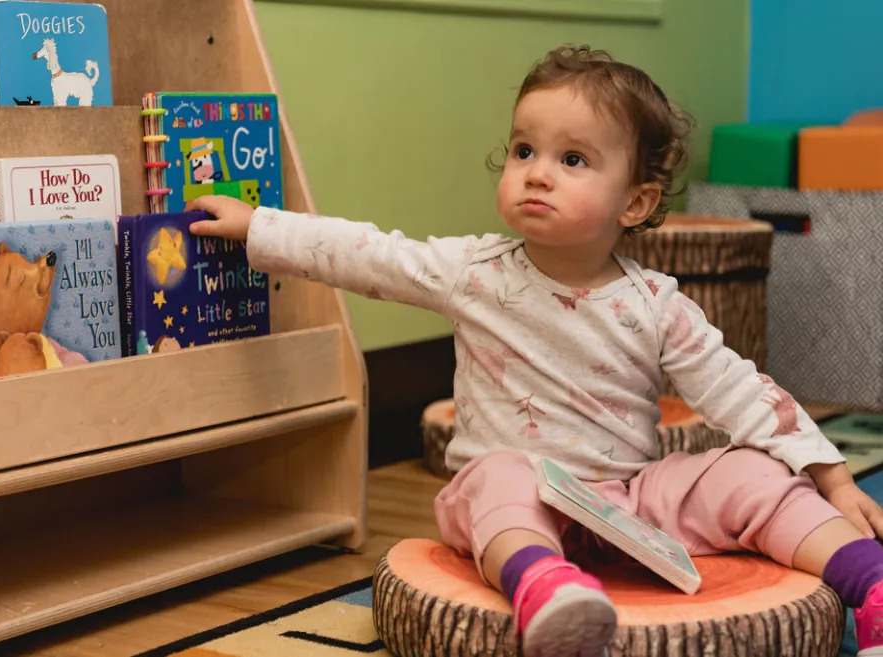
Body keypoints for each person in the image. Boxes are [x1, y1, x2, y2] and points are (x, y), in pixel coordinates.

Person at [186, 44, 883, 657]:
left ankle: (870, 586)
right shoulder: (474, 272)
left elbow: (738, 389)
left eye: (572, 159)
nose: (537, 172)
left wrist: (831, 476)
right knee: (495, 477)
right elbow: (367, 253)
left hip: (631, 504)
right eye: (525, 151)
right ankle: (547, 591)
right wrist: (261, 228)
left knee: (750, 474)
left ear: (635, 203)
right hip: (523, 507)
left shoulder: (655, 303)